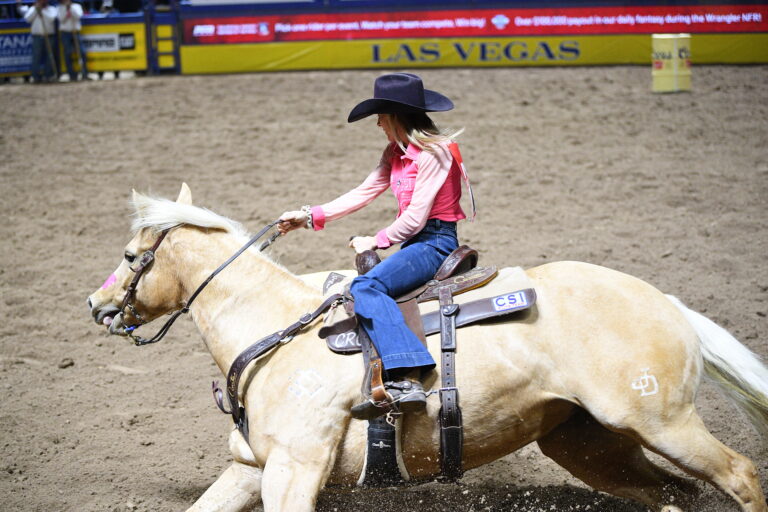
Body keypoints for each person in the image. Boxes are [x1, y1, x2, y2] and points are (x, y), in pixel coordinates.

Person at [278, 73, 475, 420]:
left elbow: (415, 218)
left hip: (435, 241)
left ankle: (407, 373)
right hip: (417, 243)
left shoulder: (435, 154)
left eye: (381, 116)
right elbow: (364, 192)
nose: (378, 124)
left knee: (366, 286)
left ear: (396, 116)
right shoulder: (396, 153)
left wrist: (376, 240)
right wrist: (309, 216)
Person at [17, 0, 57, 83]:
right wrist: (36, 10)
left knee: (49, 57)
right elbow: (27, 19)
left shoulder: (52, 9)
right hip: (37, 36)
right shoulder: (33, 9)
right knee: (36, 57)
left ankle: (48, 76)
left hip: (49, 35)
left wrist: (42, 11)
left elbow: (51, 18)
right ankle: (35, 77)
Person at [57, 0, 89, 81]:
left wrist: (70, 8)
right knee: (67, 54)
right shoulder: (59, 7)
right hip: (65, 33)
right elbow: (61, 19)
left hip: (75, 32)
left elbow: (78, 16)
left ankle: (84, 73)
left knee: (82, 52)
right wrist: (66, 10)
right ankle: (72, 75)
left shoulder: (77, 6)